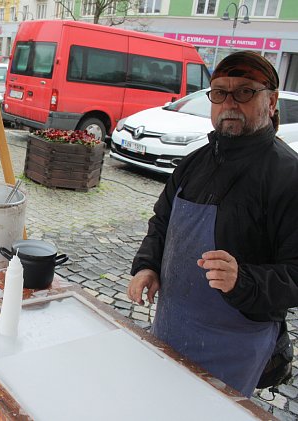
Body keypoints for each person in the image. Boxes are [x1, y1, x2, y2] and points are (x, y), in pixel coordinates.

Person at [127, 51, 298, 397]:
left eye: (244, 92)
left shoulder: (288, 176)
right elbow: (162, 222)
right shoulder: (192, 164)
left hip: (236, 343)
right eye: (219, 92)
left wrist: (243, 279)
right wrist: (147, 265)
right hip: (172, 325)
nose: (229, 103)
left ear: (271, 100)